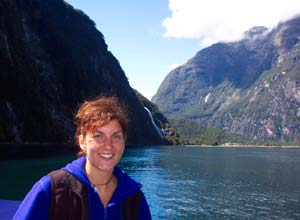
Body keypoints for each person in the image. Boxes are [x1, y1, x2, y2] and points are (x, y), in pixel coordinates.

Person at [13, 96, 152, 220]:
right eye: (98, 136)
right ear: (82, 142)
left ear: (123, 141)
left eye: (116, 136)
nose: (108, 146)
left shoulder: (134, 199)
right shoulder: (51, 191)